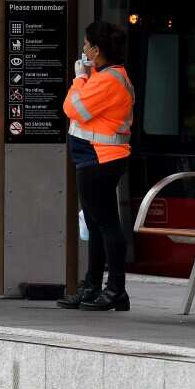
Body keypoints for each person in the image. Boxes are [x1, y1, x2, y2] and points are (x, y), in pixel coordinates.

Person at [57, 21, 135, 312]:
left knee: (106, 225)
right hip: (94, 158)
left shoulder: (108, 80)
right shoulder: (106, 77)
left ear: (97, 50)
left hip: (100, 159)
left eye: (87, 44)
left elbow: (72, 108)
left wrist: (79, 79)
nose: (84, 49)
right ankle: (93, 287)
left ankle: (114, 289)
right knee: (95, 223)